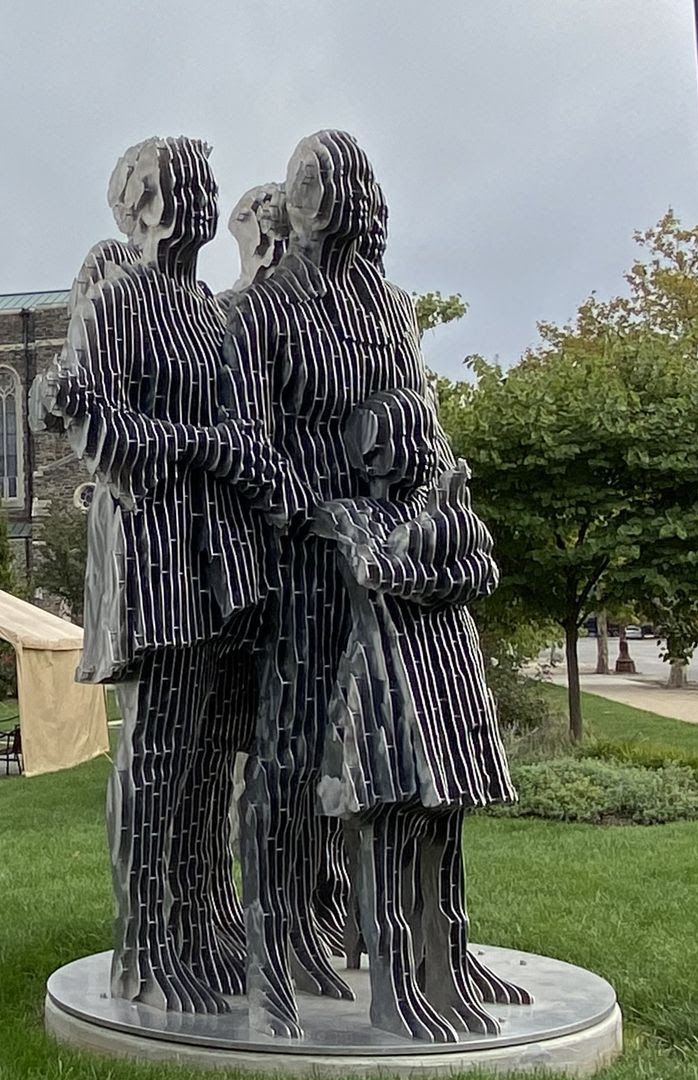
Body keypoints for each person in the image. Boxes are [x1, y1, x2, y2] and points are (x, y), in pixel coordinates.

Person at [223, 130, 525, 1041]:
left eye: (337, 186)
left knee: (410, 767)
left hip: (393, 565)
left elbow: (421, 423)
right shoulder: (262, 311)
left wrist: (427, 515)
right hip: (306, 564)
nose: (324, 201)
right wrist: (320, 516)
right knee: (288, 753)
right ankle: (270, 951)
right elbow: (249, 446)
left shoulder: (393, 310)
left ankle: (439, 955)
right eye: (310, 186)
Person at [46, 136, 274, 1014]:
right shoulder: (121, 302)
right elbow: (93, 424)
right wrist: (199, 446)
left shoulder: (212, 314)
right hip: (155, 545)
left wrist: (227, 456)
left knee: (213, 751)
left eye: (203, 184)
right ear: (141, 205)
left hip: (222, 551)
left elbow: (248, 432)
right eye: (180, 185)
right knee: (162, 746)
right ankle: (149, 942)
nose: (196, 199)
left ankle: (202, 919)